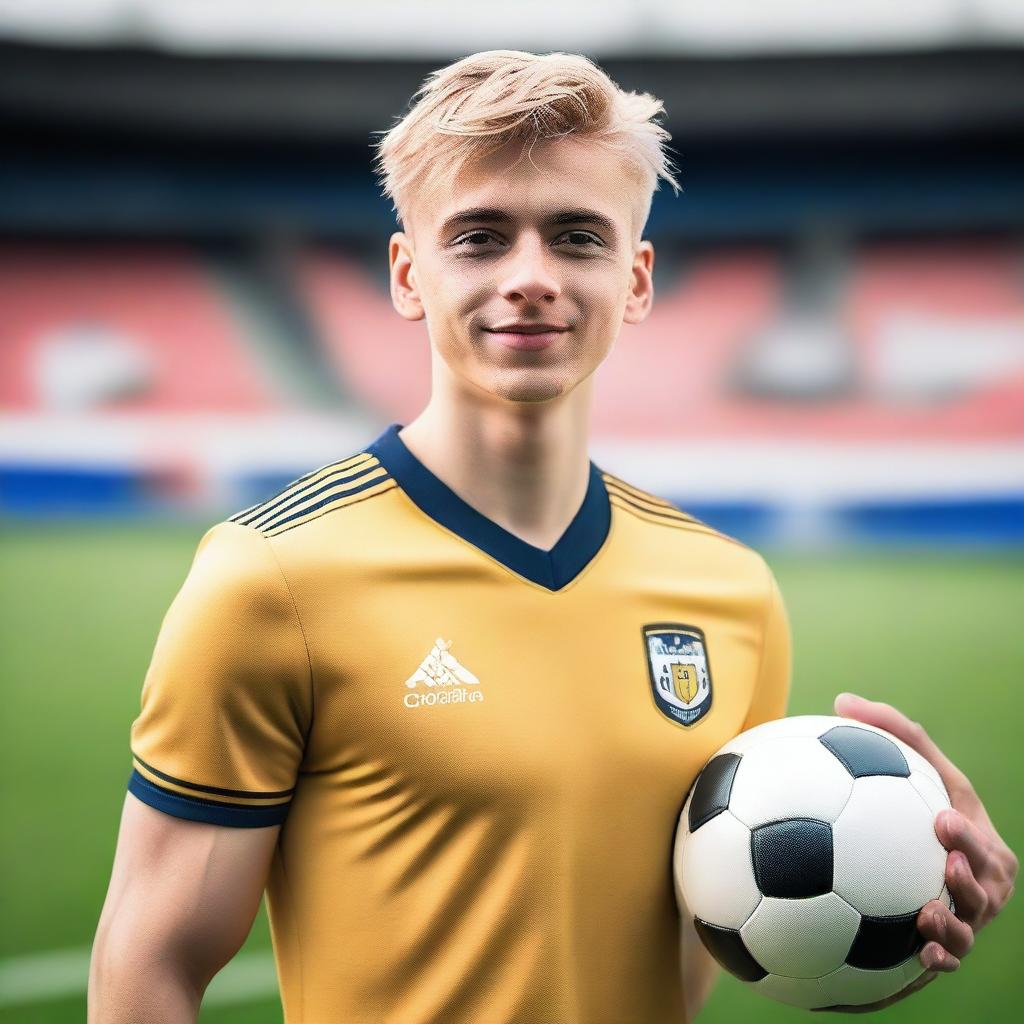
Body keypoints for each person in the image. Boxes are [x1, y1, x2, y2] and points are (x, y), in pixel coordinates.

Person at [88, 50, 1016, 1024]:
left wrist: (903, 890)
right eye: (481, 238)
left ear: (637, 277)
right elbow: (145, 962)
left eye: (576, 237)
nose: (529, 278)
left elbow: (710, 935)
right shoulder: (270, 579)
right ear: (408, 275)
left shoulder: (729, 593)